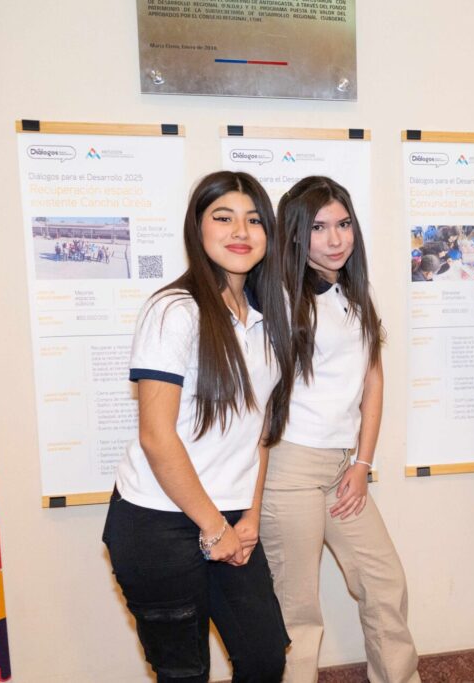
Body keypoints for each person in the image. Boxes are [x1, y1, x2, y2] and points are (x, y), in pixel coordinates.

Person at [102, 171, 293, 682]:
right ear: (198, 227)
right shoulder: (173, 310)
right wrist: (213, 527)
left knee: (265, 658)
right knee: (185, 673)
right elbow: (156, 435)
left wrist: (249, 516)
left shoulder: (267, 319)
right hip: (158, 521)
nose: (241, 231)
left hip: (231, 517)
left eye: (254, 220)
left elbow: (261, 431)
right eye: (223, 217)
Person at [262, 176, 420, 683]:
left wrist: (362, 463)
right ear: (294, 234)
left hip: (341, 468)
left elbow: (373, 380)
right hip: (289, 468)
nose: (335, 239)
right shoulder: (280, 298)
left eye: (343, 224)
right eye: (319, 227)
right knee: (298, 613)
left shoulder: (353, 292)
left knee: (383, 582)